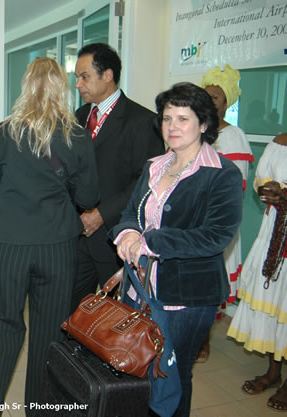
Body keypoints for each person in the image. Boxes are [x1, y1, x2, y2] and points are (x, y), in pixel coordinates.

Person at [0, 57, 99, 415]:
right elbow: (89, 198)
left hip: (9, 245)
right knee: (48, 334)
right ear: (61, 88)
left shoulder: (3, 132)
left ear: (26, 86)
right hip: (56, 247)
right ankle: (40, 410)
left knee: (3, 328)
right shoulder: (77, 135)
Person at [111, 82, 243, 417]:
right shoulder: (154, 166)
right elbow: (131, 213)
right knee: (143, 370)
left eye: (183, 118)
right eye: (167, 118)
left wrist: (149, 241)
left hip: (188, 296)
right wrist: (127, 233)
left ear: (204, 124)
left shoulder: (221, 174)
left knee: (173, 375)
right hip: (143, 287)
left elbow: (216, 236)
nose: (172, 126)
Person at [71, 42, 163, 314]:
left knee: (113, 316)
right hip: (78, 235)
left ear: (107, 75)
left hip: (115, 237)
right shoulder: (79, 116)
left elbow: (145, 182)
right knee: (74, 310)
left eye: (84, 77)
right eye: (77, 77)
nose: (78, 84)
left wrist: (101, 214)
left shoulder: (143, 121)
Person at [196, 64, 254, 362]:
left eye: (216, 98)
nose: (210, 102)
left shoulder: (235, 137)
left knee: (209, 285)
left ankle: (203, 342)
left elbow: (235, 188)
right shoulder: (196, 130)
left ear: (226, 103)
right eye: (206, 96)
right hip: (192, 222)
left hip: (217, 225)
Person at [227, 133, 287, 412]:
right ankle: (274, 372)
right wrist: (268, 191)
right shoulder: (279, 142)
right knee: (272, 301)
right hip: (274, 230)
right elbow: (259, 182)